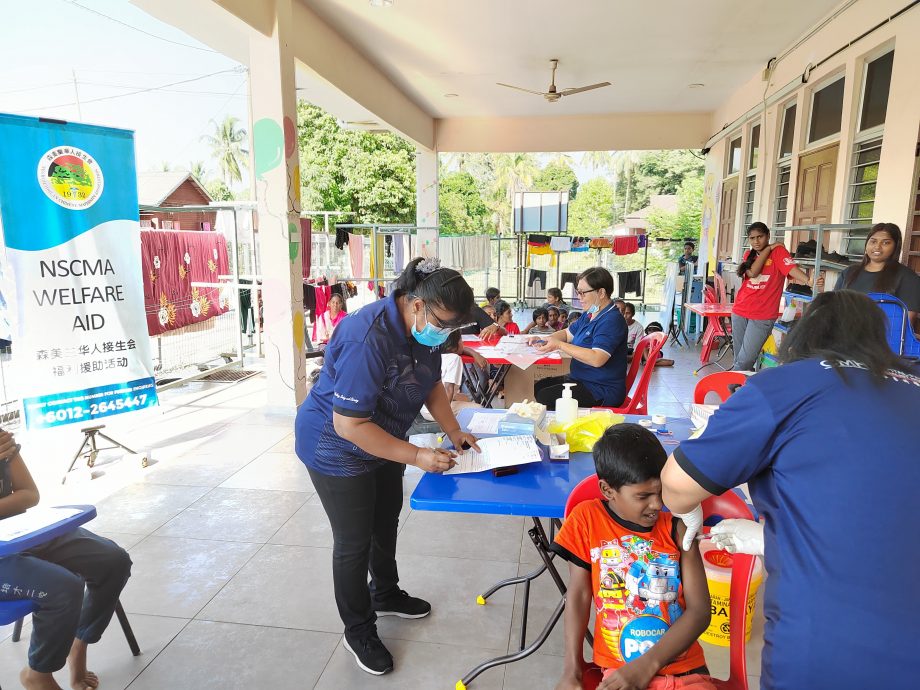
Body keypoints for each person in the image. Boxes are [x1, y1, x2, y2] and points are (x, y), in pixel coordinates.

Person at [660, 290, 920, 690]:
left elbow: (676, 485)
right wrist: (772, 538)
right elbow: (876, 506)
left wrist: (689, 510)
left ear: (803, 333)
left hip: (826, 649)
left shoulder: (784, 385)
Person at [294, 257, 481, 676]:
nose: (445, 333)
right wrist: (417, 455)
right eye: (443, 322)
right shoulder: (368, 336)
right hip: (337, 446)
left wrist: (453, 430)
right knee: (353, 541)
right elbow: (349, 424)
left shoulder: (424, 328)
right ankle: (358, 628)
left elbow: (430, 381)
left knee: (385, 521)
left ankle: (386, 593)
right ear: (416, 304)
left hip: (384, 439)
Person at [552, 424, 714, 690]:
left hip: (685, 674)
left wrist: (646, 666)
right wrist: (572, 670)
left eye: (660, 491)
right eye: (643, 496)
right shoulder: (586, 520)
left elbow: (700, 612)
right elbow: (579, 595)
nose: (657, 504)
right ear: (607, 490)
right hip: (620, 676)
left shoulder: (677, 526)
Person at [0, 429, 132, 690]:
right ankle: (38, 673)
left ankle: (77, 642)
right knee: (63, 588)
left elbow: (29, 493)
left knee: (113, 561)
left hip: (21, 531)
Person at [532, 267, 628, 409]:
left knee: (546, 396)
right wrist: (544, 339)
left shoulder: (611, 320)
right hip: (582, 378)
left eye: (583, 293)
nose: (579, 297)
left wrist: (559, 345)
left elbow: (597, 359)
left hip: (601, 388)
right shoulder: (592, 312)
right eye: (578, 292)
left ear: (601, 292)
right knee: (540, 386)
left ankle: (565, 429)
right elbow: (567, 333)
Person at [731, 222, 813, 371]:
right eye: (752, 238)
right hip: (740, 310)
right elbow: (753, 273)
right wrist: (768, 248)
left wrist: (808, 280)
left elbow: (791, 268)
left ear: (768, 235)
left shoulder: (779, 253)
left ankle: (731, 389)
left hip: (762, 314)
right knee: (739, 358)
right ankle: (744, 390)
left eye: (760, 237)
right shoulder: (748, 255)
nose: (756, 241)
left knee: (745, 361)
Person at [835, 222, 920, 332]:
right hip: (842, 339)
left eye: (885, 243)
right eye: (873, 241)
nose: (877, 246)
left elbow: (907, 323)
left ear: (896, 246)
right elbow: (834, 306)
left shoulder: (907, 277)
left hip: (879, 345)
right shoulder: (849, 272)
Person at [420, 332, 481, 421]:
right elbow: (449, 389)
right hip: (436, 410)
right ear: (453, 346)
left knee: (465, 398)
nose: (463, 344)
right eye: (461, 341)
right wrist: (445, 416)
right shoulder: (454, 359)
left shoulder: (434, 355)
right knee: (479, 408)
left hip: (425, 407)